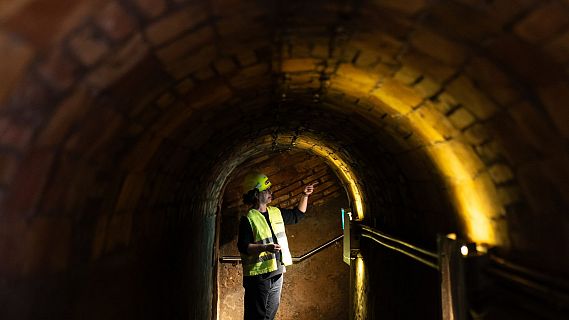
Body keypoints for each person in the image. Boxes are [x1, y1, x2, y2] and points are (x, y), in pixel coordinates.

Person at [237, 172, 315, 320]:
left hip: (277, 271)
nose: (270, 193)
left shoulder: (275, 212)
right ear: (255, 194)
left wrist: (305, 195)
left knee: (269, 315)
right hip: (258, 276)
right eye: (266, 190)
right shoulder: (248, 219)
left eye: (269, 189)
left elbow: (297, 215)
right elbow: (243, 246)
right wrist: (265, 248)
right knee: (256, 316)